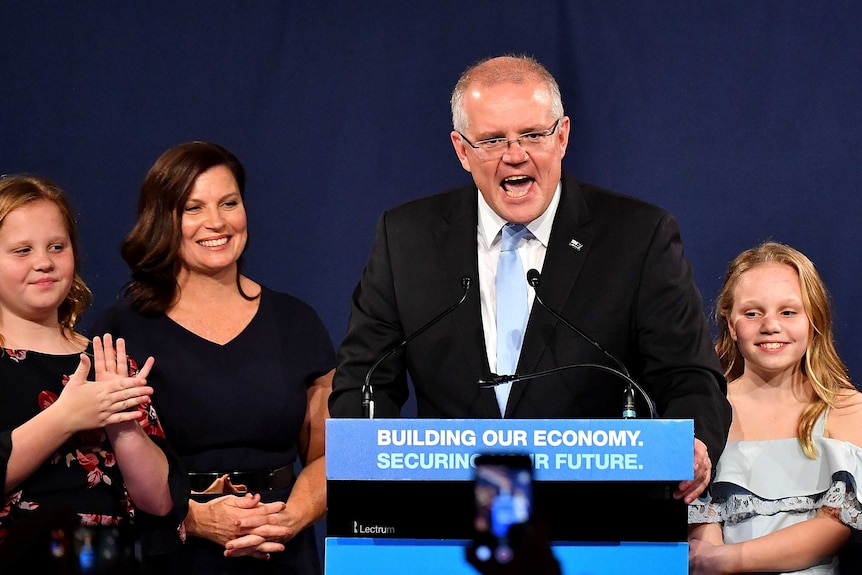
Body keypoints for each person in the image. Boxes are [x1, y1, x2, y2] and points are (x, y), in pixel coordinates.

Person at [328, 54, 732, 504]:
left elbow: (689, 375)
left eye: (532, 135)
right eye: (492, 140)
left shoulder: (637, 236)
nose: (514, 155)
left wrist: (693, 443)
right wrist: (364, 479)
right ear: (462, 150)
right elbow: (364, 380)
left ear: (562, 137)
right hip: (447, 520)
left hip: (600, 515)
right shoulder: (406, 238)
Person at [89, 141, 335, 574]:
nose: (216, 222)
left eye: (229, 203)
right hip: (171, 552)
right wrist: (196, 519)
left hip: (281, 549)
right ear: (163, 219)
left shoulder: (297, 321)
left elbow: (330, 456)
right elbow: (100, 469)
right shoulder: (121, 331)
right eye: (193, 208)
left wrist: (288, 519)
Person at [0, 174, 187, 571]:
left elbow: (159, 502)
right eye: (22, 250)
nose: (44, 262)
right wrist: (67, 416)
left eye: (57, 246)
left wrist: (122, 426)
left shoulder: (105, 360)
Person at [688, 241, 862, 574]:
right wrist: (713, 558)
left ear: (814, 319)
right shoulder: (708, 413)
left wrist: (729, 559)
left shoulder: (848, 410)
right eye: (753, 313)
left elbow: (832, 529)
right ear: (730, 323)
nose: (771, 325)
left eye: (788, 312)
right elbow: (702, 533)